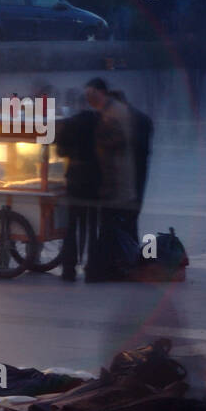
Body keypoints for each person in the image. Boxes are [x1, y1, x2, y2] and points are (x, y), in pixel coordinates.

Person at [83, 77, 140, 280]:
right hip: (114, 181)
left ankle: (111, 268)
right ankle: (114, 267)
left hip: (115, 181)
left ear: (102, 92)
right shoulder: (109, 111)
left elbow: (118, 143)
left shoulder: (114, 113)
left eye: (92, 95)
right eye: (87, 96)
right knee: (113, 226)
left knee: (111, 226)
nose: (89, 99)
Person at [55, 103, 101, 282]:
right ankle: (92, 270)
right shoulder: (100, 124)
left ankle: (69, 269)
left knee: (71, 226)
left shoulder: (70, 124)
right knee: (93, 226)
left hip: (75, 179)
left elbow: (60, 151)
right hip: (95, 179)